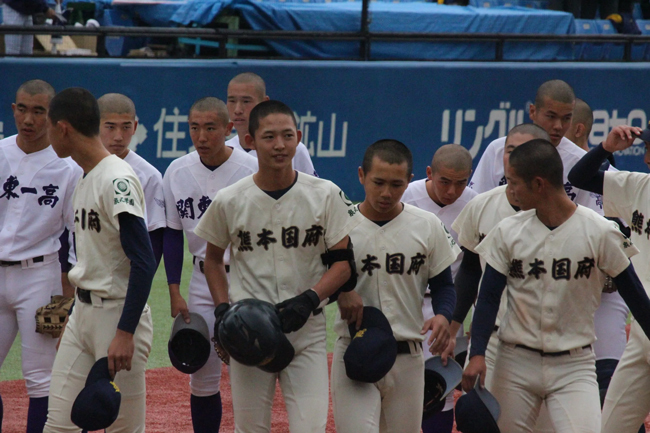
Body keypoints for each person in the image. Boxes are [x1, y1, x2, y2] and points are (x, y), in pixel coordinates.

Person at [194, 99, 360, 432]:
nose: (280, 145)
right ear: (250, 141)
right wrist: (223, 309)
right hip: (248, 331)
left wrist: (310, 299)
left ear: (298, 137)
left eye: (287, 135)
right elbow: (211, 260)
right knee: (250, 427)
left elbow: (343, 265)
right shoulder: (230, 199)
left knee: (310, 427)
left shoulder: (325, 193)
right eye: (269, 137)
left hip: (307, 332)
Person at [462, 139, 650, 432]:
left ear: (538, 184)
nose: (509, 191)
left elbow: (637, 298)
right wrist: (477, 354)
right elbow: (487, 297)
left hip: (574, 367)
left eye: (513, 183)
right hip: (514, 363)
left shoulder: (600, 232)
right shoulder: (507, 231)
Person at [43, 87, 156, 433]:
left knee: (124, 429)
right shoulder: (86, 176)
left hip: (118, 317)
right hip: (83, 313)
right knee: (59, 425)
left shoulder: (116, 179)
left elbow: (144, 260)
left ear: (63, 128)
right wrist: (72, 313)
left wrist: (125, 332)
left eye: (50, 127)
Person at [331, 139, 460, 433]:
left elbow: (444, 285)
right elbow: (319, 284)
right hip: (354, 352)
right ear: (361, 175)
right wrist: (341, 290)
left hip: (408, 358)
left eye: (396, 184)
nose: (386, 193)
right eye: (378, 182)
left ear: (410, 182)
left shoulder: (427, 225)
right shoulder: (338, 225)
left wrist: (443, 314)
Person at [450, 124, 557, 433]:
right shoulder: (481, 205)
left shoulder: (560, 215)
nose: (514, 158)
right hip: (493, 338)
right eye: (510, 150)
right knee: (484, 422)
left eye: (523, 151)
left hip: (548, 341)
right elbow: (470, 269)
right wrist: (454, 323)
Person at [162, 96, 258, 433]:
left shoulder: (251, 170)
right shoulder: (177, 170)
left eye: (210, 128)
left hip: (248, 280)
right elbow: (173, 235)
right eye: (194, 128)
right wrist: (175, 290)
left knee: (249, 375)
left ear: (229, 129)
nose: (201, 136)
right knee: (201, 376)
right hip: (201, 281)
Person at [0, 79, 79, 433]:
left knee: (40, 379)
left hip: (39, 277)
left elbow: (75, 239)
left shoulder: (69, 168)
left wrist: (68, 297)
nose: (27, 118)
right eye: (21, 108)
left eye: (38, 111)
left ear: (54, 117)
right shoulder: (0, 153)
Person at [568, 124, 650, 433]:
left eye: (649, 149)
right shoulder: (639, 186)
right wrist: (604, 149)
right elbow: (579, 178)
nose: (645, 158)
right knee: (611, 426)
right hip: (642, 333)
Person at [401, 143, 475, 433]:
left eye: (460, 183)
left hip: (445, 306)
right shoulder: (406, 196)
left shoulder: (474, 204)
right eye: (445, 181)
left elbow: (475, 269)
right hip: (404, 300)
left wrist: (458, 324)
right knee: (394, 388)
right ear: (430, 173)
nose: (452, 191)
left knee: (438, 392)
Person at [469, 80, 601, 214]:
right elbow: (476, 206)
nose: (558, 126)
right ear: (533, 111)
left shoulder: (581, 162)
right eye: (551, 116)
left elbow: (591, 219)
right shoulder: (499, 149)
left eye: (566, 118)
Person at [98, 93, 166, 265]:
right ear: (95, 125)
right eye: (110, 127)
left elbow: (154, 235)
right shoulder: (77, 167)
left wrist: (143, 282)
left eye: (126, 127)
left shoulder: (149, 175)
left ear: (135, 127)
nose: (119, 136)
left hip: (125, 273)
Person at [225, 72, 318, 176]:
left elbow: (312, 189)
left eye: (246, 101)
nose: (238, 110)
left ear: (264, 102)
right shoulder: (224, 152)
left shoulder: (292, 149)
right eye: (232, 101)